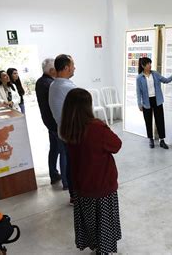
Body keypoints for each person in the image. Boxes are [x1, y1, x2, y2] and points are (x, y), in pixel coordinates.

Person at [59, 88, 122, 254]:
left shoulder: (67, 128)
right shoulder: (97, 127)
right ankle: (103, 250)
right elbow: (116, 145)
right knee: (104, 222)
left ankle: (94, 245)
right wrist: (105, 126)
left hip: (81, 184)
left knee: (89, 220)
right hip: (101, 183)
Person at [49, 54, 76, 204]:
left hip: (63, 130)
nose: (74, 68)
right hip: (72, 133)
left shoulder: (54, 85)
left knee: (70, 162)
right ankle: (76, 195)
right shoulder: (67, 87)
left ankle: (73, 194)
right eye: (73, 65)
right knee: (75, 164)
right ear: (66, 67)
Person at [136, 57, 172, 149]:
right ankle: (151, 139)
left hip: (157, 100)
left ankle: (162, 140)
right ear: (143, 65)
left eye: (150, 63)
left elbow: (165, 80)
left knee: (160, 120)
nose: (150, 65)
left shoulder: (155, 74)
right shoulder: (139, 78)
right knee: (148, 121)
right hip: (146, 102)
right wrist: (139, 104)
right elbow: (138, 92)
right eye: (148, 64)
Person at [35, 58, 64, 186]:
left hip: (48, 121)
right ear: (52, 70)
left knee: (54, 149)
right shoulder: (51, 84)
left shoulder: (40, 82)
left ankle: (53, 173)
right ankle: (66, 181)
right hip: (55, 122)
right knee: (62, 151)